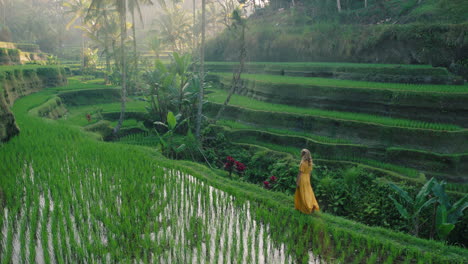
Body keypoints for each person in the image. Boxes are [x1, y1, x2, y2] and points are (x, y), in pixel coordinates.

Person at [294, 149, 320, 214]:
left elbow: (299, 173)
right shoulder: (310, 163)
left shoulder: (302, 163)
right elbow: (310, 173)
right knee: (309, 192)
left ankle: (308, 207)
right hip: (307, 178)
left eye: (302, 154)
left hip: (302, 178)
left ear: (303, 155)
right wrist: (308, 180)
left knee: (303, 193)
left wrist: (297, 181)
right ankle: (312, 205)